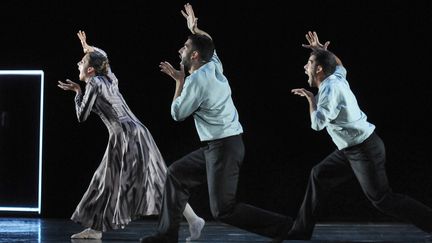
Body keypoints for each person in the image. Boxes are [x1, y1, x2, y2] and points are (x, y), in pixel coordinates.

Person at [139, 3, 292, 243]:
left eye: (185, 47)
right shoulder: (213, 64)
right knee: (176, 174)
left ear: (195, 56)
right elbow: (210, 44)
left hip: (224, 147)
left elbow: (177, 114)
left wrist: (178, 81)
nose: (180, 50)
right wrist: (196, 29)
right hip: (219, 145)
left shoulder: (197, 81)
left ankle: (282, 227)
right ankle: (166, 235)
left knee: (223, 209)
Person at [57, 31, 205, 241]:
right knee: (134, 179)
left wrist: (77, 93)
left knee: (116, 181)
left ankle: (193, 219)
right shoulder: (109, 77)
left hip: (126, 135)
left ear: (90, 70)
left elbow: (82, 116)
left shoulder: (94, 83)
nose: (78, 64)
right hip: (136, 132)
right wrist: (88, 47)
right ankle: (193, 219)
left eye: (82, 62)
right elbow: (104, 56)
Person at [285, 31, 432, 240]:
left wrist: (310, 98)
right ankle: (300, 231)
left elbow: (317, 124)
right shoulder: (335, 76)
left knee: (382, 199)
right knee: (318, 174)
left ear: (318, 69)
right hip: (350, 148)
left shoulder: (329, 91)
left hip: (364, 149)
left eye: (309, 63)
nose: (305, 67)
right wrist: (322, 51)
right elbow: (340, 66)